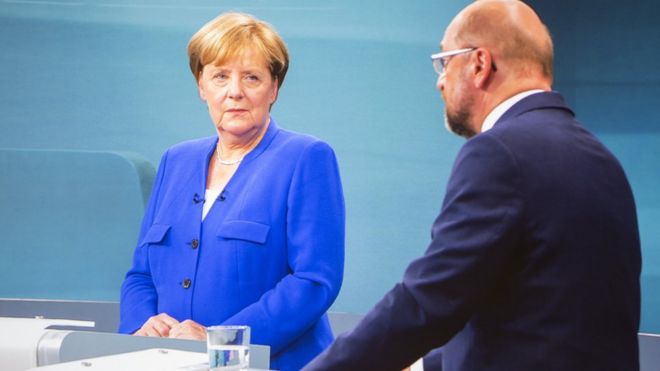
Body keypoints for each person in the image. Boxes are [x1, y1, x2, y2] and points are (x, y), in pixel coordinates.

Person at [304, 1, 641, 370]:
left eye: (444, 61)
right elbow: (540, 319)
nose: (440, 80)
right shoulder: (603, 161)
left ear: (480, 64)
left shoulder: (499, 152)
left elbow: (428, 301)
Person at [118, 12, 345, 371]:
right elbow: (141, 273)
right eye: (220, 76)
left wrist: (221, 343)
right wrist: (141, 327)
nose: (234, 91)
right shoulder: (176, 160)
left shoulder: (306, 157)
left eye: (251, 77)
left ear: (274, 88)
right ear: (201, 85)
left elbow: (314, 282)